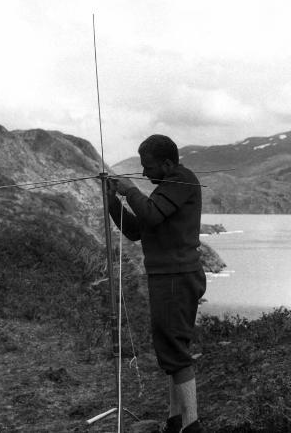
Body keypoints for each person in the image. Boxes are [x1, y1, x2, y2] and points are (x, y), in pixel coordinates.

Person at [107, 134, 205, 433]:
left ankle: (191, 426)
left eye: (147, 166)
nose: (144, 171)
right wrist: (112, 200)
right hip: (170, 276)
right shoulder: (168, 187)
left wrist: (130, 190)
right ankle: (177, 420)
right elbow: (138, 230)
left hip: (176, 277)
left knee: (173, 349)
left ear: (166, 163)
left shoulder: (180, 180)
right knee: (171, 346)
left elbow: (148, 213)